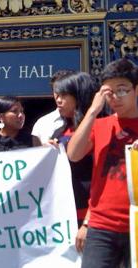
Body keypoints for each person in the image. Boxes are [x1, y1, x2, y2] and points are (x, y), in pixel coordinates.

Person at [67, 58, 138, 268]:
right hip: (101, 225)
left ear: (136, 90)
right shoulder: (101, 124)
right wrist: (93, 111)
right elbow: (74, 154)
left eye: (122, 90)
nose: (115, 97)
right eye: (109, 91)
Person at [32, 70, 98, 229]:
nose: (58, 101)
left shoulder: (98, 126)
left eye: (64, 95)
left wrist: (89, 221)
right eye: (57, 95)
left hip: (90, 216)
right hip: (63, 214)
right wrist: (47, 152)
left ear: (79, 95)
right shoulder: (60, 130)